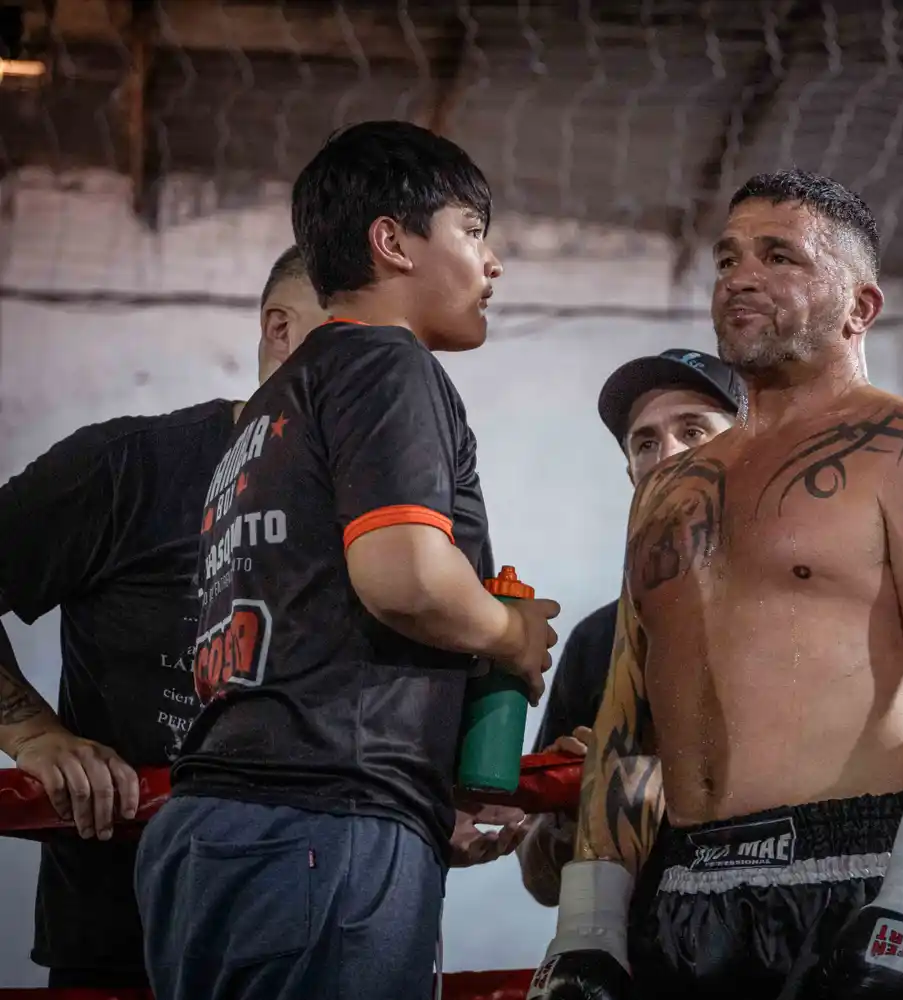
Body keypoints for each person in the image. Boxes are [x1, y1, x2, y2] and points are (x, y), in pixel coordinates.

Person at [529, 168, 903, 1000]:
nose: (742, 274)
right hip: (688, 889)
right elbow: (632, 725)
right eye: (729, 257)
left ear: (860, 307)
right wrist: (588, 926)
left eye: (781, 256)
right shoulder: (669, 494)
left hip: (865, 871)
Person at [134, 120, 560, 1000]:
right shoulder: (383, 361)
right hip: (322, 833)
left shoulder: (266, 416)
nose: (493, 263)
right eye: (472, 231)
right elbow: (404, 578)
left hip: (225, 834)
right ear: (393, 242)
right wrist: (511, 633)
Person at [0, 245, 323, 990]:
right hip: (126, 936)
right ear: (282, 327)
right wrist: (31, 732)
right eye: (360, 336)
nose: (385, 373)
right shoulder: (129, 467)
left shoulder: (384, 519)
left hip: (315, 935)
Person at [517, 348, 747, 906]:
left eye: (694, 430)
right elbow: (541, 880)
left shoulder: (820, 610)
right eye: (646, 443)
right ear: (630, 473)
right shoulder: (600, 641)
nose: (667, 454)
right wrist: (578, 812)